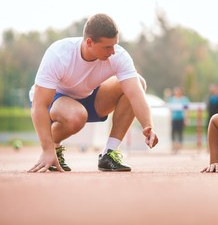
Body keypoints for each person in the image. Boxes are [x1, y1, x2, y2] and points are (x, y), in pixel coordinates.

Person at [28, 13, 158, 173]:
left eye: (115, 45)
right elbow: (39, 105)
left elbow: (136, 94)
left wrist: (148, 126)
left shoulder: (118, 55)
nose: (113, 52)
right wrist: (48, 150)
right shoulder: (59, 54)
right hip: (56, 98)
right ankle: (54, 147)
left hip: (88, 96)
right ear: (89, 42)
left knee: (139, 81)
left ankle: (109, 154)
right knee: (77, 116)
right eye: (107, 47)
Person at [167, 87, 190, 153]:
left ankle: (179, 147)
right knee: (173, 132)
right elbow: (170, 110)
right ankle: (173, 146)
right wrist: (170, 118)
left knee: (180, 132)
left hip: (181, 118)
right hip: (174, 118)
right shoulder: (172, 99)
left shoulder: (184, 99)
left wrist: (186, 119)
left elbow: (186, 109)